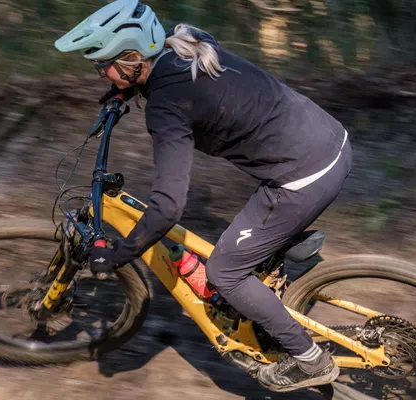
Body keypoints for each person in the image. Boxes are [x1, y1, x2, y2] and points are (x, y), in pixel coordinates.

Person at [55, 0, 352, 392]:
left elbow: (167, 207)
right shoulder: (187, 39)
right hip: (330, 138)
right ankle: (270, 269)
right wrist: (122, 92)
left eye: (103, 65)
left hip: (304, 175)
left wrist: (116, 256)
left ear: (131, 58)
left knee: (224, 273)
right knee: (243, 246)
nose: (99, 73)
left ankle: (311, 362)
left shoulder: (166, 106)